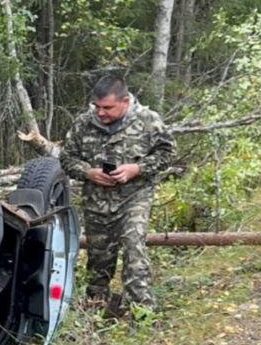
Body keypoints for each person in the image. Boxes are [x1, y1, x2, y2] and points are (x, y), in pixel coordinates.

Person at [61, 75, 176, 313]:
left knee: (134, 248)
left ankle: (142, 313)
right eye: (97, 107)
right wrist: (88, 172)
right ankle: (96, 311)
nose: (100, 113)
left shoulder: (148, 121)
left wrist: (138, 169)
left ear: (125, 102)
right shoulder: (84, 123)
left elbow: (167, 153)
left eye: (107, 108)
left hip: (134, 198)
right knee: (99, 261)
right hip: (96, 202)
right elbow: (67, 158)